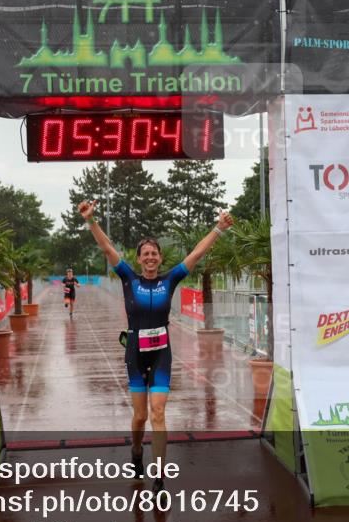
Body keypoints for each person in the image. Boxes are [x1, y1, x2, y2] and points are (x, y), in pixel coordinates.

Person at [78, 199, 234, 492]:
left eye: (154, 254)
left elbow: (196, 254)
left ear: (160, 259)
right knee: (140, 416)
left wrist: (218, 229)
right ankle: (136, 450)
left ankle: (159, 476)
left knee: (159, 413)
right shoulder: (128, 278)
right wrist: (91, 221)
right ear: (139, 260)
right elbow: (107, 249)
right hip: (135, 353)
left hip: (161, 353)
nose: (150, 258)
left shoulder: (170, 279)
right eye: (145, 254)